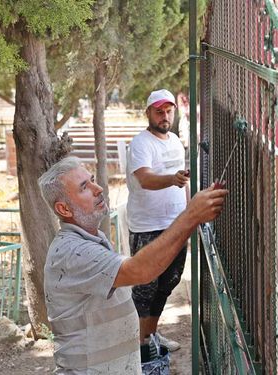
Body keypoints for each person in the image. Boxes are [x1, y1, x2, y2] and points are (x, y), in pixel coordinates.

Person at [38, 156, 228, 374]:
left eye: (92, 180)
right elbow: (140, 270)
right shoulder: (72, 252)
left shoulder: (92, 239)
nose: (98, 188)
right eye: (84, 187)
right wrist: (191, 215)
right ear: (64, 209)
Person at [125, 89, 189, 351]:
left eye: (168, 111)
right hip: (147, 227)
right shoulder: (141, 143)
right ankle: (138, 345)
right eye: (159, 111)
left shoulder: (174, 140)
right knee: (144, 288)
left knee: (167, 283)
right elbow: (145, 179)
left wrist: (189, 215)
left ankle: (150, 337)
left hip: (175, 225)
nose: (164, 116)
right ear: (148, 113)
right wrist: (172, 179)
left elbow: (183, 184)